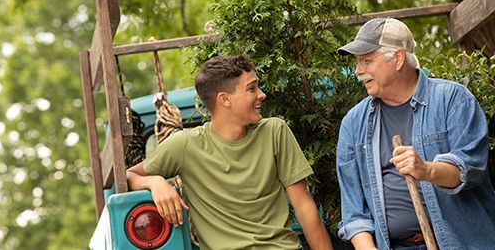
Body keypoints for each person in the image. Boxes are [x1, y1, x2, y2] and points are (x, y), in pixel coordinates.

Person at [127, 54, 332, 250]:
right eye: (251, 89)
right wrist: (154, 182)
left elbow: (305, 207)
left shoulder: (274, 132)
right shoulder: (185, 145)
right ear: (225, 99)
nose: (262, 94)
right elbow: (129, 176)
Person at [335, 17, 495, 250]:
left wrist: (426, 170)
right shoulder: (353, 123)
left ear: (398, 58)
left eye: (366, 61)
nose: (359, 71)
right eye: (357, 62)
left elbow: (470, 170)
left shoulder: (453, 100)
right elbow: (354, 210)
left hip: (459, 243)